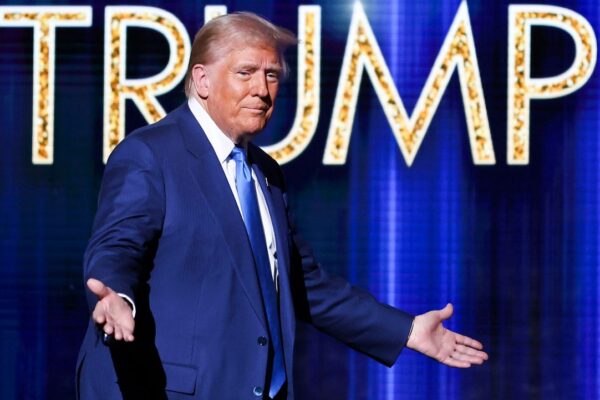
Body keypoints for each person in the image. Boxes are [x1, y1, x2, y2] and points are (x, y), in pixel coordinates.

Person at [76, 12, 487, 400]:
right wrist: (115, 297)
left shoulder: (265, 171)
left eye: (271, 75)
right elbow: (117, 247)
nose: (262, 89)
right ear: (201, 80)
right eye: (246, 73)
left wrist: (407, 331)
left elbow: (302, 284)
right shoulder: (150, 154)